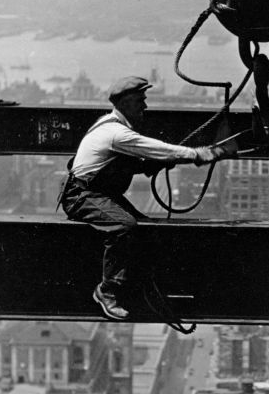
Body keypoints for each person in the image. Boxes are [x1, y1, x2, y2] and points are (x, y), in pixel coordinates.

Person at [60, 75, 235, 320]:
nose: (145, 106)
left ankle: (135, 284)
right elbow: (159, 148)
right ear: (125, 104)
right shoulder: (116, 133)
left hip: (96, 193)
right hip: (82, 196)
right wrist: (200, 154)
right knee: (124, 226)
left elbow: (122, 163)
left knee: (143, 227)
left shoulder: (112, 126)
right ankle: (107, 290)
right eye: (139, 101)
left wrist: (148, 166)